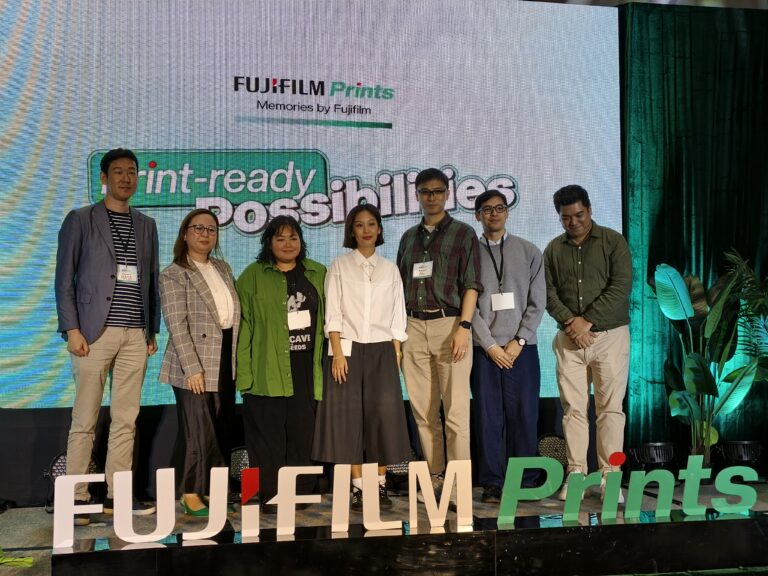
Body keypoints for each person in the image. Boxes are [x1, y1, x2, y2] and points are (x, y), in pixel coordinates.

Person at [55, 148, 159, 524]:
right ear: (103, 178)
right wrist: (72, 330)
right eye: (118, 172)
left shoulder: (147, 224)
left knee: (126, 420)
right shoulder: (81, 219)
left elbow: (151, 280)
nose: (126, 178)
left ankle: (118, 496)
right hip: (92, 334)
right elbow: (64, 279)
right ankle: (77, 498)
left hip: (135, 334)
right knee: (84, 419)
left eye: (132, 172)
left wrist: (151, 329)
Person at [312, 204, 411, 509]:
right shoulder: (339, 266)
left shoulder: (390, 269)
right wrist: (337, 354)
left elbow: (397, 314)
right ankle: (357, 487)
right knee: (348, 420)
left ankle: (379, 486)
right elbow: (333, 313)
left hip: (383, 349)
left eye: (371, 224)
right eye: (359, 225)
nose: (366, 230)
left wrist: (396, 353)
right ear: (351, 231)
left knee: (384, 419)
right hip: (347, 350)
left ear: (379, 229)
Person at [542, 184, 632, 501]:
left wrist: (587, 320)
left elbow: (621, 285)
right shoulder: (553, 249)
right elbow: (547, 292)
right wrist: (572, 323)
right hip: (569, 340)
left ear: (590, 209)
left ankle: (610, 477)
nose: (574, 222)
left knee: (610, 410)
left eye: (579, 215)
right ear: (559, 217)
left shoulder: (613, 241)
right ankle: (576, 475)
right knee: (573, 411)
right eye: (566, 217)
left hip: (610, 337)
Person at [396, 168, 482, 494]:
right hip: (413, 326)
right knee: (423, 412)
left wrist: (464, 326)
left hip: (450, 324)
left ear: (447, 194)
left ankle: (459, 486)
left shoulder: (463, 233)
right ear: (417, 195)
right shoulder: (408, 237)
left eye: (437, 191)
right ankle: (435, 477)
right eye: (425, 192)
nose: (431, 197)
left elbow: (472, 284)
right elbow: (399, 288)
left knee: (456, 412)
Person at [236, 216, 326, 514]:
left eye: (293, 238)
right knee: (266, 439)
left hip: (306, 368)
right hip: (265, 368)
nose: (288, 244)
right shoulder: (252, 276)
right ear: (269, 243)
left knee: (303, 435)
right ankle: (267, 496)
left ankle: (301, 494)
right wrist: (244, 377)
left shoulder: (318, 273)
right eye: (280, 238)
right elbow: (243, 329)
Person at [159, 208, 240, 516]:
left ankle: (212, 491)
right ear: (185, 234)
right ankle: (190, 493)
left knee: (219, 428)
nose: (205, 234)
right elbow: (176, 325)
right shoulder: (174, 273)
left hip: (224, 357)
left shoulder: (222, 267)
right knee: (197, 430)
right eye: (198, 228)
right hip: (191, 362)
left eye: (211, 229)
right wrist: (192, 368)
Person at [470, 190, 546, 504]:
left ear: (507, 212)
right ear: (477, 215)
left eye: (500, 208)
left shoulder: (529, 251)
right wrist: (489, 345)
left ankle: (524, 480)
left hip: (521, 350)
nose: (494, 214)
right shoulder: (469, 254)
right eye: (487, 209)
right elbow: (467, 306)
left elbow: (538, 301)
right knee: (488, 418)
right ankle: (492, 482)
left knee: (524, 415)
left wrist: (520, 340)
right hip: (485, 351)